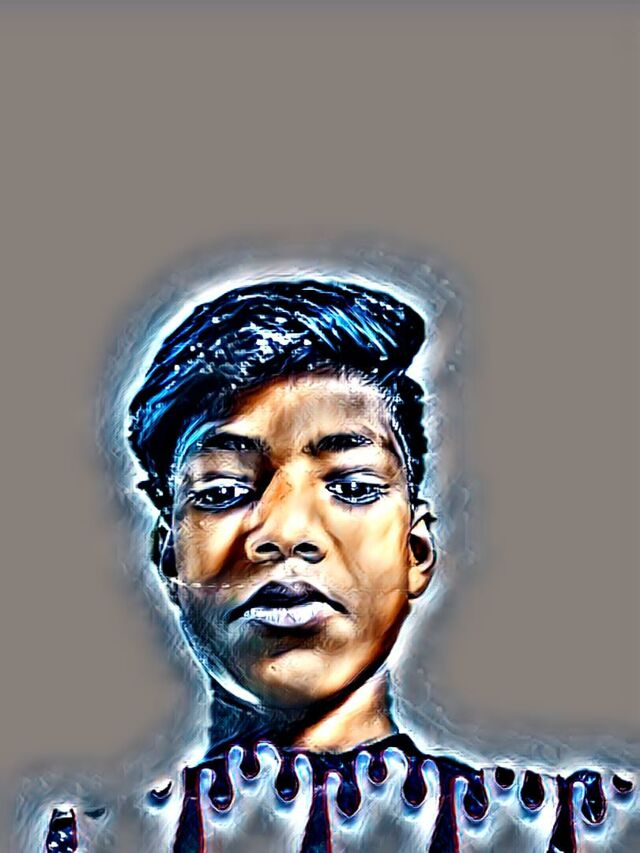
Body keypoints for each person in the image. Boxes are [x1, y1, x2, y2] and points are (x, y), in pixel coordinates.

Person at [41, 276, 633, 853]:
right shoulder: (99, 843)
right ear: (168, 556)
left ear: (416, 551)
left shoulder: (570, 831)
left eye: (352, 487)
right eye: (223, 491)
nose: (286, 532)